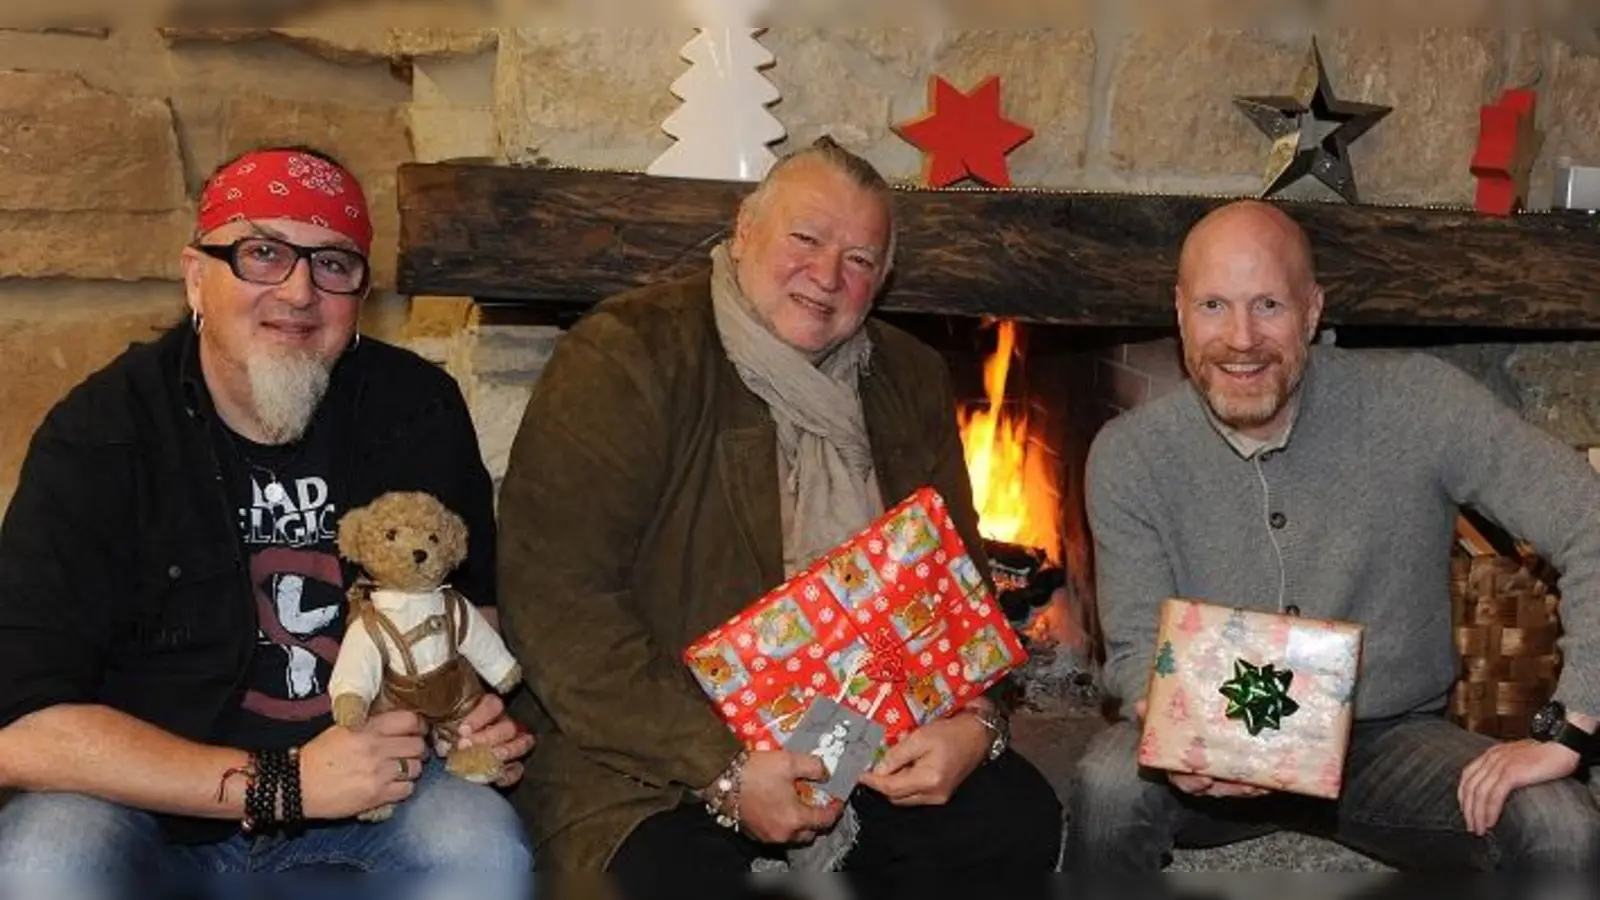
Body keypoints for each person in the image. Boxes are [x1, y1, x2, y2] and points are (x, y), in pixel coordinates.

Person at [495, 137, 1062, 888]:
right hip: (656, 756)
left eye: (860, 260)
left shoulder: (911, 377)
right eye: (806, 238)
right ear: (743, 231)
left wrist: (975, 724)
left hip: (869, 736)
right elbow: (558, 612)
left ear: (883, 282)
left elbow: (960, 599)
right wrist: (725, 770)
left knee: (1018, 824)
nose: (827, 275)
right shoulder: (625, 356)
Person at [0, 146, 534, 880]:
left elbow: (471, 610)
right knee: (43, 859)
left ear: (361, 295)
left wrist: (467, 712)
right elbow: (20, 729)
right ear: (197, 276)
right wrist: (281, 783)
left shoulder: (415, 410)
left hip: (375, 799)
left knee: (480, 845)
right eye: (261, 254)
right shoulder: (102, 432)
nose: (298, 292)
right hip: (145, 807)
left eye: (333, 264)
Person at [1069, 199, 1600, 871]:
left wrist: (1569, 726)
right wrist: (1177, 730)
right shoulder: (1130, 453)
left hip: (1388, 742)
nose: (1240, 338)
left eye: (1268, 305)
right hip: (1203, 737)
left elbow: (1589, 517)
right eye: (1213, 306)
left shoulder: (1421, 402)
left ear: (1313, 311)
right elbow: (1135, 649)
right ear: (1179, 312)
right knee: (1106, 786)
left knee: (1561, 824)